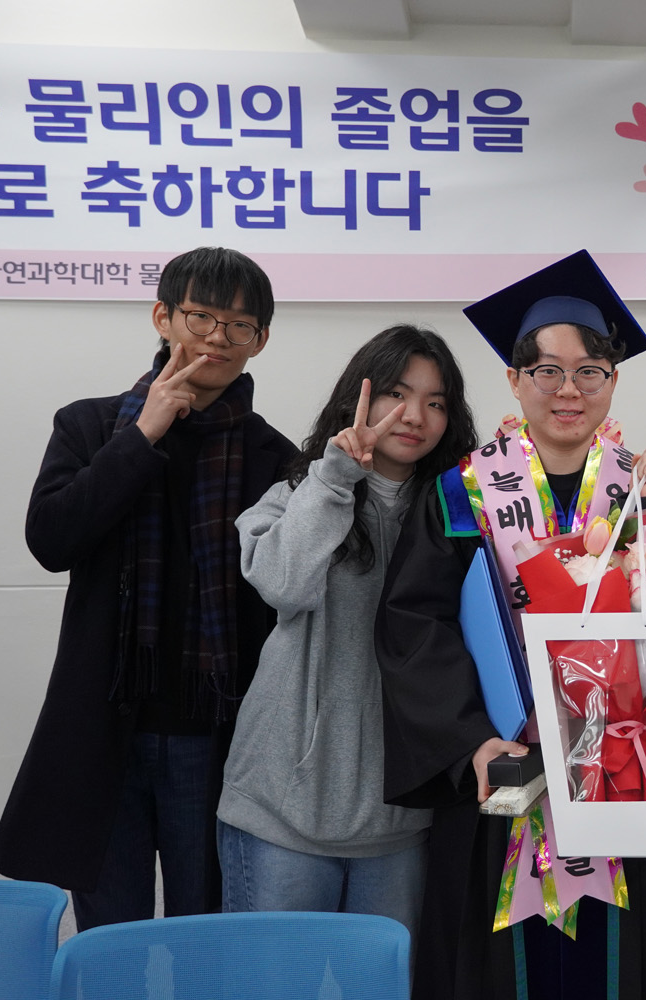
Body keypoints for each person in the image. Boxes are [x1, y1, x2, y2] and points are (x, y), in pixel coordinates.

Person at [375, 250, 646, 1000]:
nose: (568, 389)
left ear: (613, 381)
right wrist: (471, 740)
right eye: (546, 370)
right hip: (503, 774)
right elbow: (415, 627)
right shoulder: (461, 494)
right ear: (514, 379)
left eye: (590, 371)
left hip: (620, 776)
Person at [0, 248, 297, 928]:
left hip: (216, 736)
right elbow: (52, 541)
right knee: (109, 939)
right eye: (200, 316)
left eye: (239, 325)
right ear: (164, 317)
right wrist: (143, 434)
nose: (217, 337)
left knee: (207, 935)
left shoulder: (275, 456)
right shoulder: (90, 426)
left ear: (260, 340)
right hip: (104, 730)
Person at [216, 326, 475, 944]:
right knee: (275, 985)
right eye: (396, 394)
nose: (415, 416)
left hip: (401, 822)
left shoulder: (462, 514)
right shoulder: (294, 494)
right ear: (357, 398)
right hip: (283, 811)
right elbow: (282, 584)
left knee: (384, 985)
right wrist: (334, 480)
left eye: (436, 402)